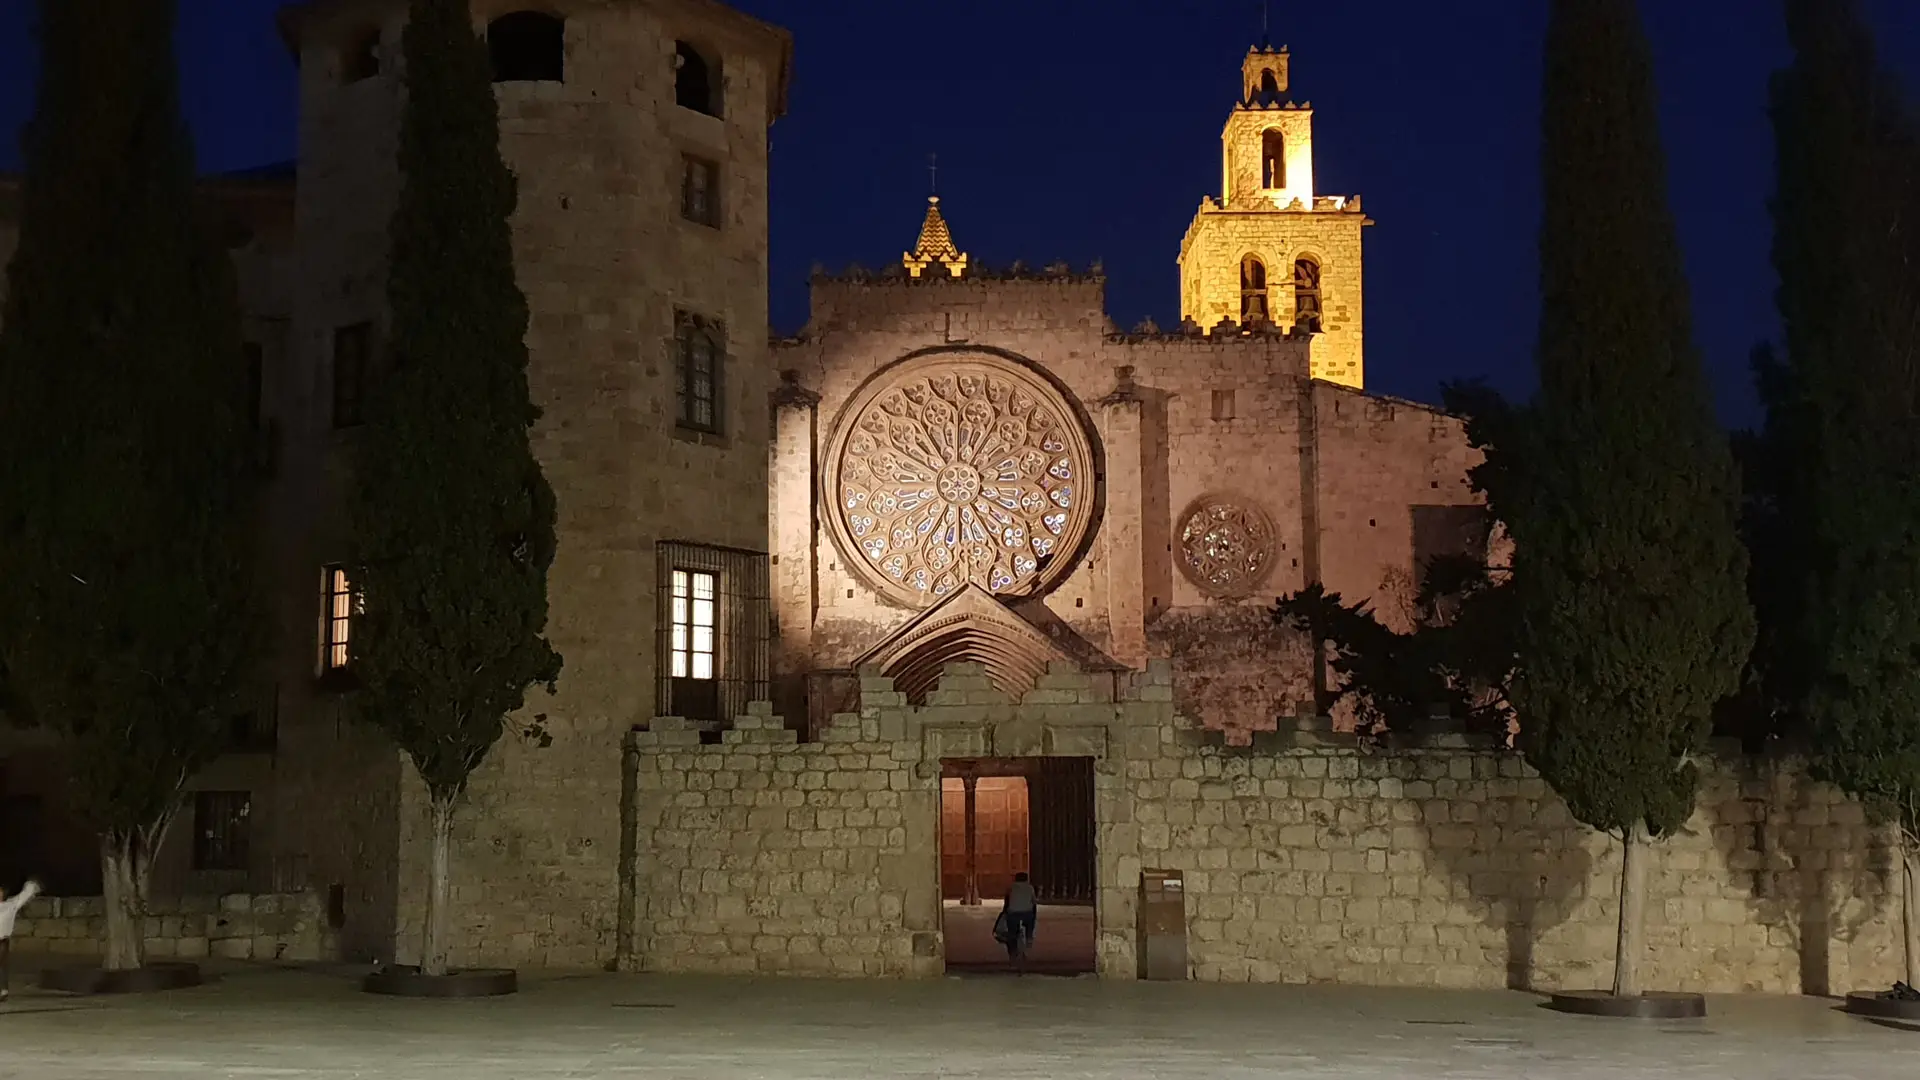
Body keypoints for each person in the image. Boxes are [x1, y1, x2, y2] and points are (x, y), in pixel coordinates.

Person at [0, 878, 40, 1002]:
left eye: (0, 892)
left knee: (1, 964)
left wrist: (32, 885)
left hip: (2, 940)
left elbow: (23, 896)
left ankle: (3, 990)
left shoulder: (10, 905)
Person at [999, 872, 1037, 965]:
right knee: (1030, 921)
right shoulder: (1030, 888)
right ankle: (1029, 936)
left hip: (1013, 913)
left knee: (1012, 933)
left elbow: (1007, 902)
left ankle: (1013, 952)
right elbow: (1034, 903)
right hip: (1027, 914)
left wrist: (1005, 913)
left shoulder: (1011, 888)